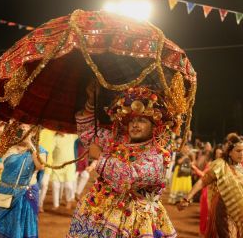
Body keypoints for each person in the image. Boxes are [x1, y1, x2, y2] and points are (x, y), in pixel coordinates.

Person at [67, 86, 178, 238]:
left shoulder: (157, 156)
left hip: (134, 222)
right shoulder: (117, 141)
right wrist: (92, 101)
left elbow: (128, 178)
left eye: (142, 120)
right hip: (97, 213)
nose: (135, 124)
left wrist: (100, 157)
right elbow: (88, 133)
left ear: (155, 127)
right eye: (131, 120)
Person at [178, 134, 243, 238]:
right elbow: (203, 181)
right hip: (225, 210)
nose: (242, 154)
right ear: (230, 152)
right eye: (238, 151)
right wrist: (187, 198)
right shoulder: (220, 165)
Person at [0, 123, 47, 238]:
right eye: (20, 128)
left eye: (27, 129)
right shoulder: (8, 146)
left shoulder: (40, 150)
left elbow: (40, 165)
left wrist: (30, 143)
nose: (22, 131)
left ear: (34, 132)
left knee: (20, 229)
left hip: (26, 195)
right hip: (4, 193)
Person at [51, 132, 77, 210]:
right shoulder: (54, 138)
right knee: (55, 186)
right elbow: (50, 150)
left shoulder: (72, 136)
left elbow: (80, 131)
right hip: (56, 166)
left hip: (69, 166)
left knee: (68, 186)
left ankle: (69, 201)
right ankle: (56, 204)